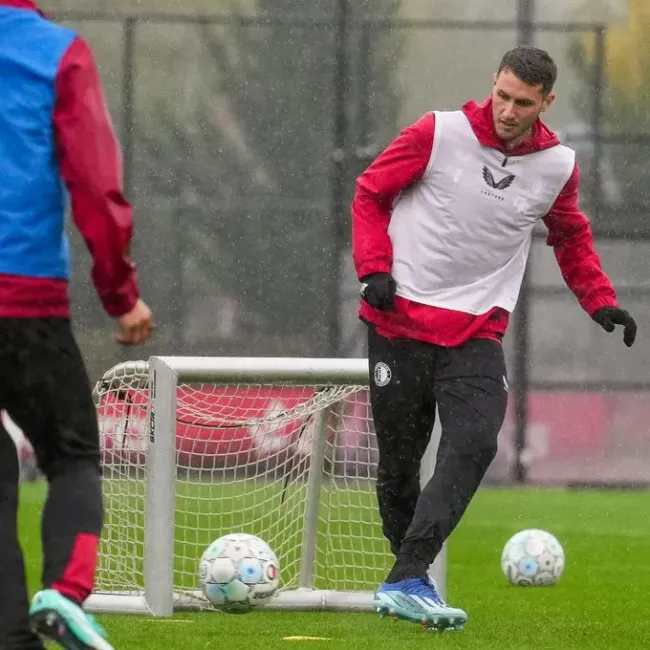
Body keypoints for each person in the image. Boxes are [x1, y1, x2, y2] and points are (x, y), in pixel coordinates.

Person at [352, 45, 637, 631]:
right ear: (494, 85)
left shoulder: (557, 165)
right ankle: (409, 577)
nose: (508, 110)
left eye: (523, 102)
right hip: (398, 322)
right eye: (502, 95)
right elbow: (370, 191)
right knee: (399, 469)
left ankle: (407, 577)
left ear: (545, 103)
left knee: (476, 442)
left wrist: (600, 300)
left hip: (476, 330)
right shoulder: (438, 131)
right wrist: (373, 267)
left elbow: (571, 237)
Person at [0, 2, 153, 649]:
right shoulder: (56, 52)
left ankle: (12, 635)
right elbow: (95, 183)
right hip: (23, 294)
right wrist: (120, 293)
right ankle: (64, 593)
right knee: (72, 455)